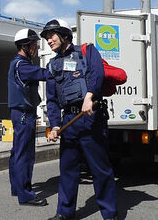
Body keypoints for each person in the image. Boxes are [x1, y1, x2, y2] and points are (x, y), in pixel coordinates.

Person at [40, 19, 118, 220]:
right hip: (70, 121)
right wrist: (55, 125)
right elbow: (52, 99)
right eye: (47, 37)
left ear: (64, 34)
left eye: (52, 35)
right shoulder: (52, 65)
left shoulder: (86, 51)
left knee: (100, 169)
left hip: (91, 117)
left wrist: (89, 96)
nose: (49, 40)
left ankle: (110, 214)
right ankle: (65, 213)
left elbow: (97, 74)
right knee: (67, 168)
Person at [7, 28, 48, 206]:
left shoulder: (17, 63)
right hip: (24, 114)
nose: (36, 47)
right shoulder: (22, 65)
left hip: (19, 113)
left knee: (17, 151)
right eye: (34, 44)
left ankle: (17, 188)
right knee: (25, 154)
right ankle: (26, 195)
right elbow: (44, 74)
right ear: (25, 45)